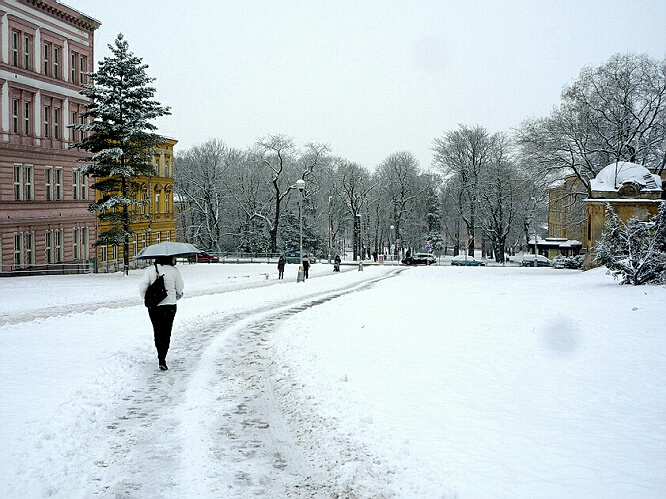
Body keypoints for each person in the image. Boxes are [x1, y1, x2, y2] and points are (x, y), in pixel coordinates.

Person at [139, 256, 184, 371]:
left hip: (154, 307)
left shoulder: (150, 270)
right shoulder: (174, 271)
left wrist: (151, 298)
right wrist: (175, 296)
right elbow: (180, 288)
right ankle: (163, 356)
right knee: (166, 330)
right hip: (170, 306)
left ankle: (160, 354)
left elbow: (142, 288)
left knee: (157, 330)